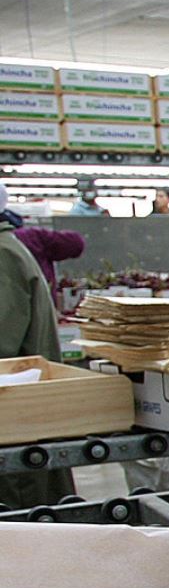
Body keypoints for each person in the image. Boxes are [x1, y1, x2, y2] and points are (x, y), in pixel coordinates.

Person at [0, 212, 75, 506]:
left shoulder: (3, 256)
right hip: (18, 420)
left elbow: (4, 345)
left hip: (17, 419)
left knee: (22, 511)